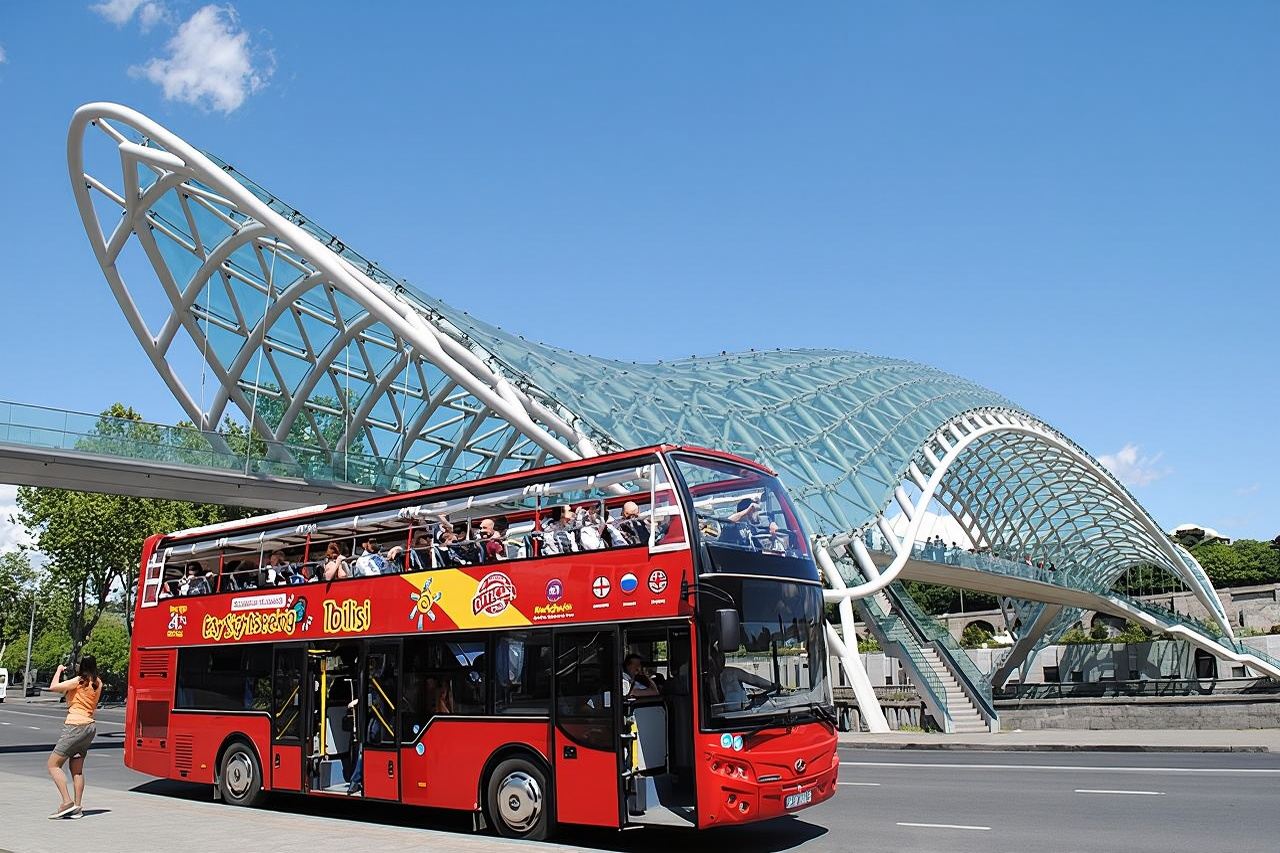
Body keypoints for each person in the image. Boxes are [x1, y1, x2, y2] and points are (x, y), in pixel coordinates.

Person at [46, 656, 103, 819]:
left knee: (53, 765)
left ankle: (67, 802)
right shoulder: (98, 683)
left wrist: (58, 670)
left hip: (75, 726)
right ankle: (78, 807)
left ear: (81, 667)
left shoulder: (79, 681)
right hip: (90, 727)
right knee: (77, 769)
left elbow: (53, 687)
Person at [710, 648, 776, 710]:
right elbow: (754, 680)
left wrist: (772, 685)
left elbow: (754, 680)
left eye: (722, 657)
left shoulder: (732, 672)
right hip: (718, 717)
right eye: (717, 658)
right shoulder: (704, 681)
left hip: (741, 714)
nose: (721, 660)